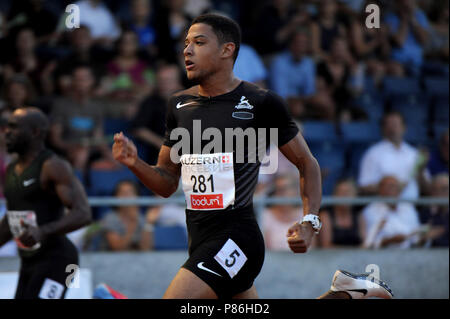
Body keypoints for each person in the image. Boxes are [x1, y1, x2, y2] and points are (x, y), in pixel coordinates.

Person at [112, 13, 393, 299]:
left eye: (198, 42)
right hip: (199, 240)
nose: (187, 49)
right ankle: (346, 294)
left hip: (238, 238)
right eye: (186, 43)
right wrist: (135, 163)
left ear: (227, 50)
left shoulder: (261, 102)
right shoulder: (178, 105)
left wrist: (310, 221)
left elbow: (306, 162)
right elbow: (166, 182)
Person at [0, 107, 92, 299]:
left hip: (63, 261)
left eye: (13, 127)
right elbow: (12, 219)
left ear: (35, 132)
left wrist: (43, 231)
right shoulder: (11, 170)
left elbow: (83, 213)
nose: (6, 131)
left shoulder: (53, 166)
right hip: (30, 261)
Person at [358, 110, 429, 199]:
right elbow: (363, 187)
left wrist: (421, 170)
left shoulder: (414, 154)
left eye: (396, 124)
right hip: (382, 207)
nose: (392, 128)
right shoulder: (373, 154)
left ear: (404, 127)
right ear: (383, 129)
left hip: (411, 208)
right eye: (389, 125)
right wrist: (390, 188)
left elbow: (426, 189)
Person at [361, 175, 421, 249]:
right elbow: (368, 243)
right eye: (388, 187)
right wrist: (389, 241)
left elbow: (416, 237)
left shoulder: (409, 208)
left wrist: (424, 237)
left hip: (410, 253)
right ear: (380, 190)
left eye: (394, 187)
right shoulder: (370, 211)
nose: (391, 190)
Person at [101, 180, 153, 251]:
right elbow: (118, 249)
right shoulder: (110, 218)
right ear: (115, 196)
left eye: (130, 192)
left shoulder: (141, 217)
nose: (126, 196)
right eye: (122, 193)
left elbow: (146, 248)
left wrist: (148, 224)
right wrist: (132, 223)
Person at [318, 179, 364, 248]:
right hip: (331, 257)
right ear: (335, 195)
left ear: (355, 195)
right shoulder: (325, 215)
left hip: (357, 257)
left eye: (348, 192)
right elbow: (326, 246)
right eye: (341, 192)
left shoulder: (358, 215)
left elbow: (364, 242)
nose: (344, 196)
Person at [418, 173, 449, 247]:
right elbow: (421, 239)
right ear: (431, 192)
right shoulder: (425, 213)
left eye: (444, 189)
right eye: (435, 190)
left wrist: (443, 230)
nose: (439, 193)